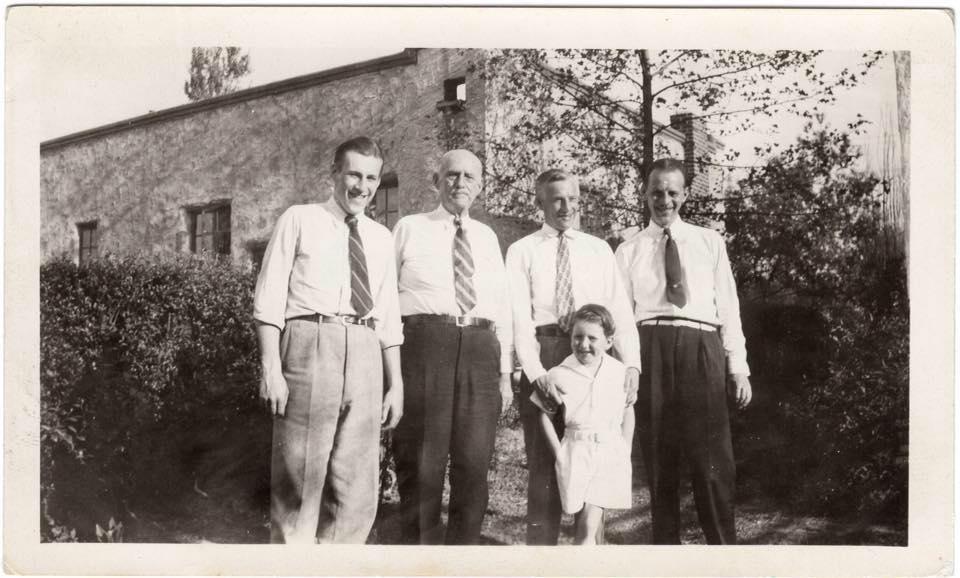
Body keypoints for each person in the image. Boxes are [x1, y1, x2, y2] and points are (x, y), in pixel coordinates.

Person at [253, 136, 404, 544]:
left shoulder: (381, 237)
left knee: (356, 488)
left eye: (371, 177)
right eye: (354, 174)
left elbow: (389, 315)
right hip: (310, 342)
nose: (362, 186)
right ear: (334, 173)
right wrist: (271, 368)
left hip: (367, 350)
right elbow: (268, 300)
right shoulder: (299, 219)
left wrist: (397, 384)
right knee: (299, 479)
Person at [614, 157, 752, 545]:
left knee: (711, 465)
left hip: (701, 348)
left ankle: (723, 556)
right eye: (656, 192)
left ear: (685, 195)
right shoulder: (628, 250)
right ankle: (666, 559)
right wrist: (631, 367)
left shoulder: (710, 242)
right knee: (660, 465)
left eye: (673, 192)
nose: (664, 200)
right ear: (645, 194)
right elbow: (623, 317)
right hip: (651, 347)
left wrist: (737, 366)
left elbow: (728, 307)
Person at [505, 168, 641, 545]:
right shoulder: (522, 250)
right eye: (557, 200)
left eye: (572, 199)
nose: (566, 207)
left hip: (592, 354)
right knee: (546, 465)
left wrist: (631, 364)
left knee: (593, 458)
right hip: (546, 352)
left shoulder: (598, 249)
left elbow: (621, 313)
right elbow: (519, 319)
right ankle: (543, 559)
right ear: (541, 203)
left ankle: (590, 554)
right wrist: (535, 372)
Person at [391, 149, 514, 545]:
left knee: (474, 466)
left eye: (469, 177)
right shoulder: (410, 227)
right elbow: (386, 297)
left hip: (480, 348)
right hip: (427, 345)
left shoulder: (488, 237)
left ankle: (463, 559)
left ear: (479, 186)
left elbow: (502, 307)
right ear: (436, 181)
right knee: (422, 463)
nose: (460, 182)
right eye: (452, 175)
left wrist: (505, 374)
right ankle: (418, 559)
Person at [531, 304, 635, 545]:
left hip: (609, 452)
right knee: (588, 526)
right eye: (578, 337)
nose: (583, 344)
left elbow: (628, 410)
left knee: (588, 526)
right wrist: (559, 454)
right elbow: (544, 415)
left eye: (592, 338)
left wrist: (625, 447)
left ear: (609, 341)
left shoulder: (619, 372)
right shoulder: (559, 373)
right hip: (575, 453)